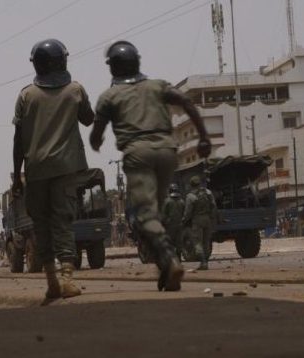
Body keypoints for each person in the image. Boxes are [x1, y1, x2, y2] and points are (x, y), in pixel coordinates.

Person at [90, 40, 211, 291]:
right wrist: (204, 137)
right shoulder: (158, 86)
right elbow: (187, 102)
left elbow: (96, 133)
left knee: (145, 217)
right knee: (156, 213)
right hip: (168, 151)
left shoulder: (110, 96)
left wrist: (97, 139)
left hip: (138, 153)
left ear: (112, 68)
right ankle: (165, 270)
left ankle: (170, 259)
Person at [12, 39, 94, 302]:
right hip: (66, 168)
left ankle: (51, 281)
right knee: (63, 222)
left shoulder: (25, 95)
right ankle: (68, 278)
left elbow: (17, 140)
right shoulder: (76, 90)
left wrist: (17, 176)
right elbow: (88, 119)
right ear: (62, 61)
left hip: (35, 170)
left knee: (41, 224)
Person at [182, 176, 217, 270]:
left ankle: (203, 262)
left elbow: (188, 212)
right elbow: (214, 205)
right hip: (207, 219)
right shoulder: (208, 192)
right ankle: (206, 262)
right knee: (206, 241)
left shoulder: (190, 196)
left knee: (197, 242)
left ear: (191, 184)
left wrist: (184, 221)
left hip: (197, 220)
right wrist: (212, 217)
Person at [162, 183, 185, 260]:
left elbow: (163, 214)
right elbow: (184, 213)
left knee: (169, 242)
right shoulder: (181, 201)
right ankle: (178, 258)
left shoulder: (167, 201)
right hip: (180, 224)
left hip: (170, 225)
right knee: (179, 242)